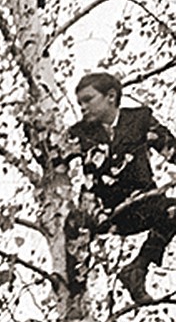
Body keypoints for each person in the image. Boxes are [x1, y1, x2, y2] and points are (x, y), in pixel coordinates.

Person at [68, 71, 176, 304]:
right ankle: (73, 300)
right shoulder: (79, 133)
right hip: (101, 212)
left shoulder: (140, 120)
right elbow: (51, 156)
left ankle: (137, 269)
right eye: (79, 103)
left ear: (110, 96)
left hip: (142, 206)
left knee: (174, 209)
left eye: (88, 100)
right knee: (72, 228)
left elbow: (171, 150)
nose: (83, 107)